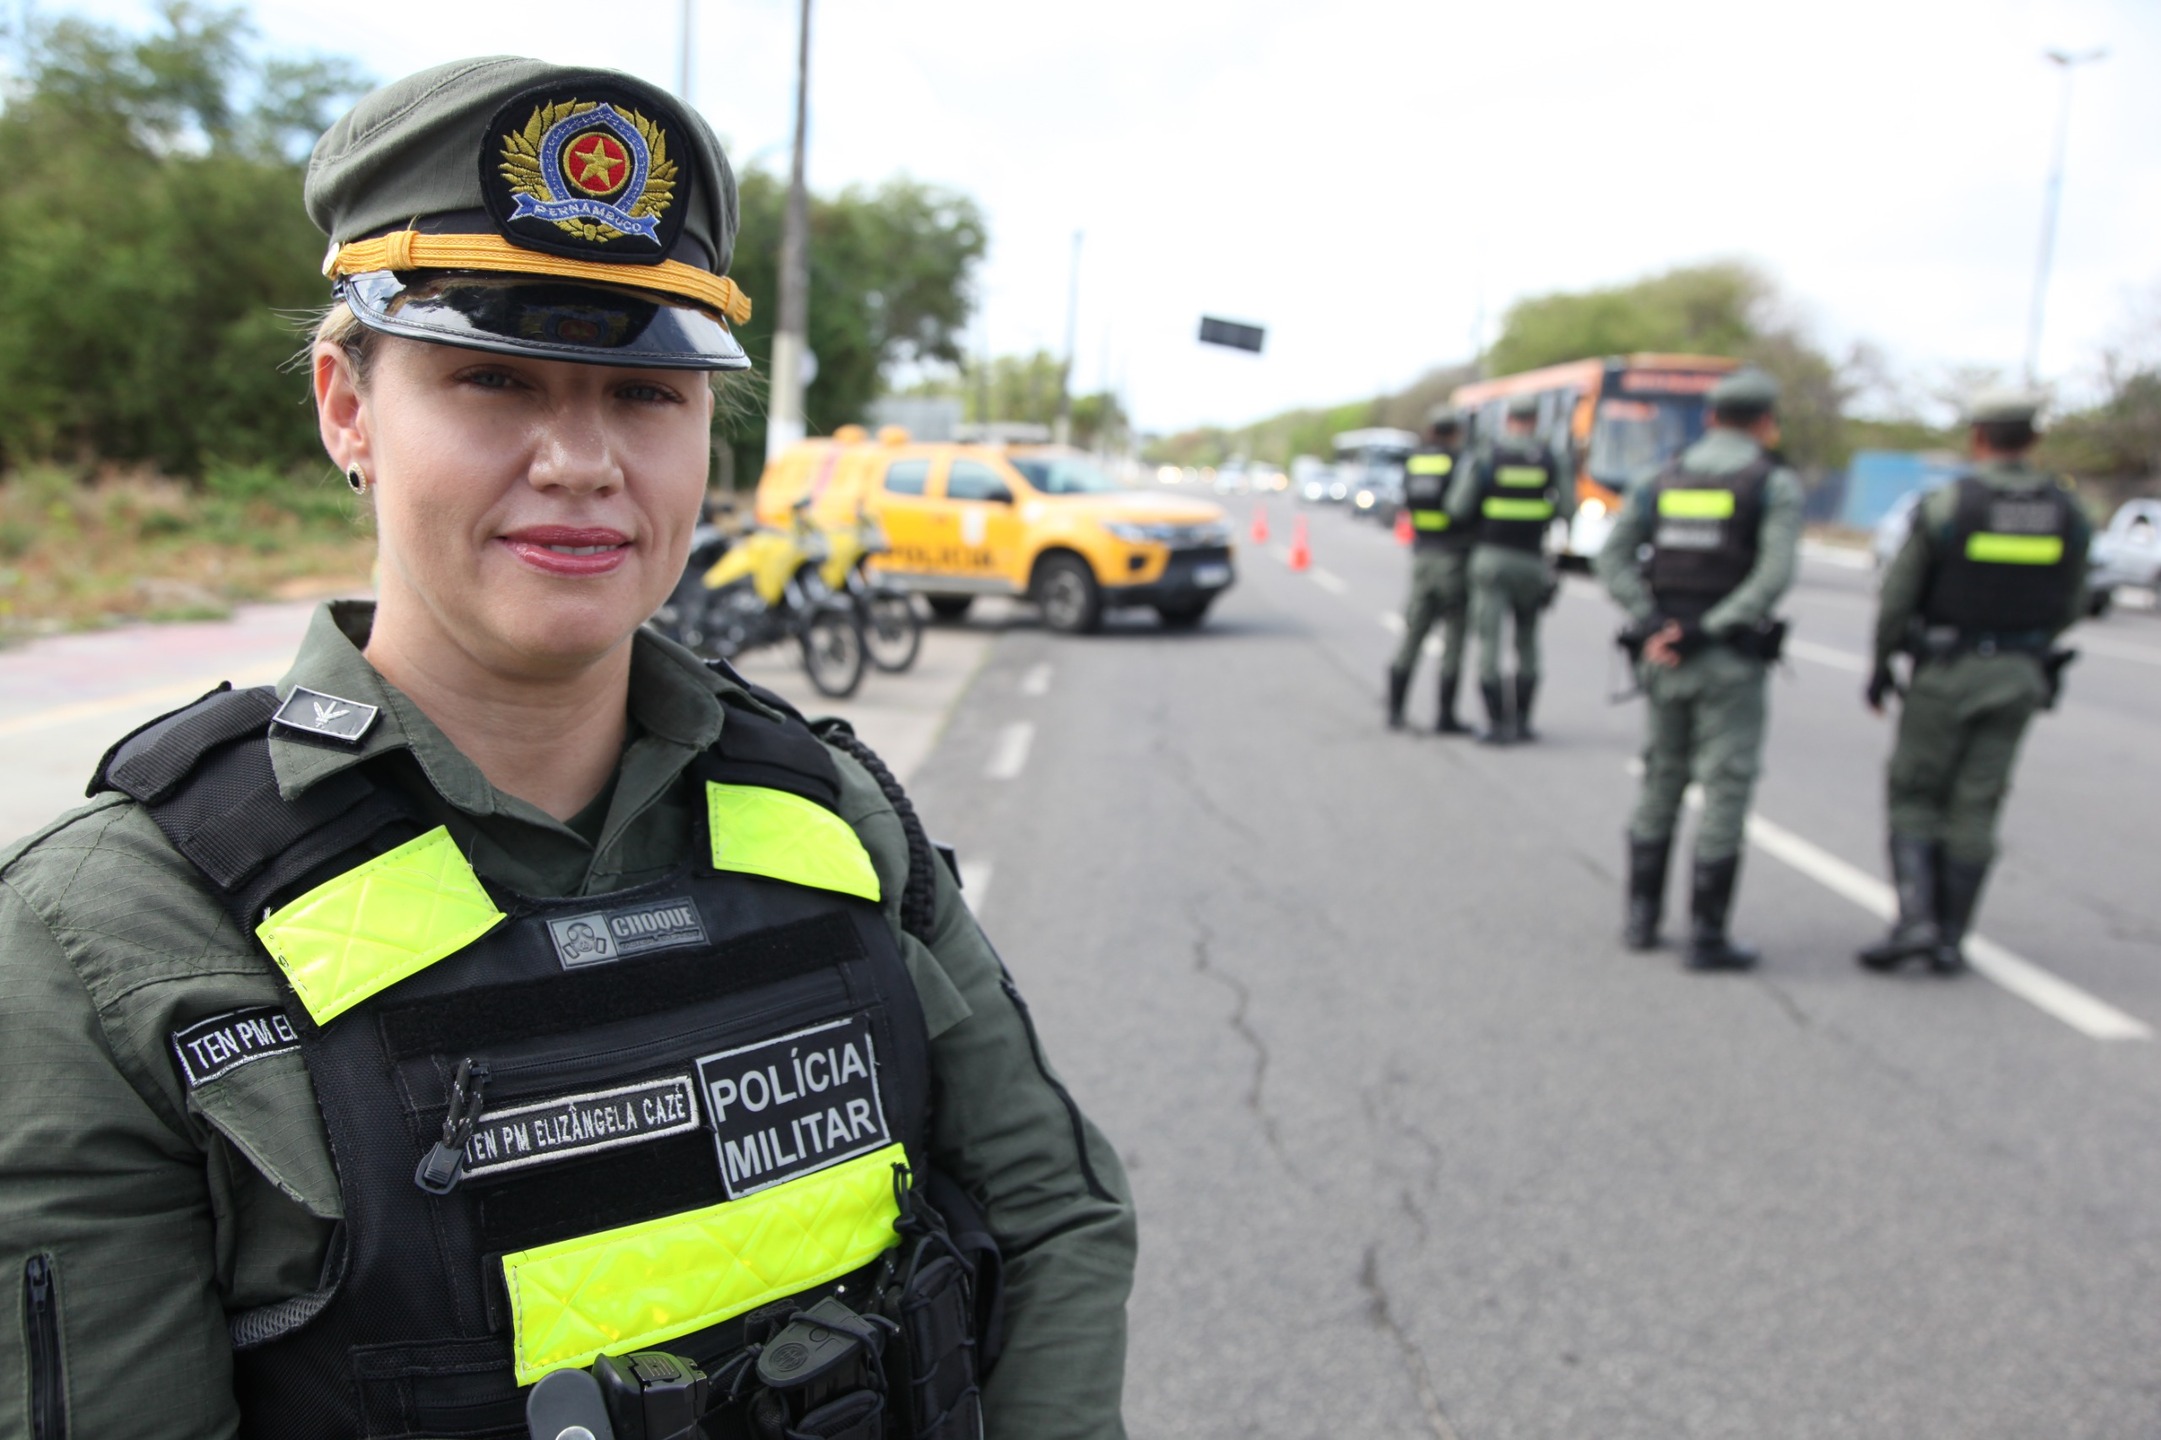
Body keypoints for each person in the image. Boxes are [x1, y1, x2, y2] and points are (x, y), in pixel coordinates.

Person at [0, 59, 1134, 1440]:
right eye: (491, 382)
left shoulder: (835, 811)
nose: (581, 459)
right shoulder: (108, 935)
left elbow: (1058, 1220)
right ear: (347, 408)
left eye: (647, 394)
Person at [1857, 390, 2089, 975]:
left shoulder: (1948, 505)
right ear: (2033, 441)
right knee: (1978, 802)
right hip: (2018, 675)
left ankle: (1916, 920)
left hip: (1945, 672)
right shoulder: (2067, 512)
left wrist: (1883, 664)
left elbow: (1898, 597)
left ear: (1979, 438)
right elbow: (2077, 597)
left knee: (1915, 793)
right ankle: (1950, 940)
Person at [1595, 369, 1801, 971]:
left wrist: (1654, 621)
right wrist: (1710, 627)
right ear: (1766, 423)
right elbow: (1774, 574)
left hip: (1664, 656)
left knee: (1660, 780)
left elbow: (1612, 557)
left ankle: (1641, 921)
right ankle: (1707, 937)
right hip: (1727, 659)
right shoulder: (1772, 484)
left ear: (1710, 418)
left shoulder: (1659, 478)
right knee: (1725, 790)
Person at [1447, 392, 1574, 743]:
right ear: (1536, 420)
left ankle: (1496, 723)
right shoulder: (1551, 457)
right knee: (1528, 642)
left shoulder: (1488, 454)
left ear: (1507, 420)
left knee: (1490, 643)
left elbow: (1457, 507)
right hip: (1532, 560)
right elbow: (1567, 509)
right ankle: (1522, 722)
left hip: (1491, 558)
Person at [1385, 406, 1474, 732]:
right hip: (1453, 559)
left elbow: (1407, 503)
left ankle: (1395, 712)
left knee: (1413, 634)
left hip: (1423, 557)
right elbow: (1463, 508)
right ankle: (1445, 717)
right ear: (1454, 432)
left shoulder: (1416, 461)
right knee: (1454, 639)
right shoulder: (1460, 463)